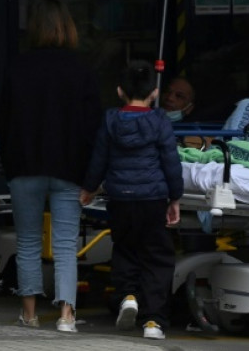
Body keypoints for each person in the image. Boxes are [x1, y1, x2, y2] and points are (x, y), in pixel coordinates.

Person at [0, 0, 102, 333]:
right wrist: (92, 177)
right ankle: (66, 316)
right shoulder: (81, 70)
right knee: (65, 244)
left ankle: (29, 315)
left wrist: (8, 165)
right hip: (69, 169)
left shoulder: (17, 67)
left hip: (24, 167)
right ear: (68, 28)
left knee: (28, 242)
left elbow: (5, 122)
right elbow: (92, 128)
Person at [80, 60, 183, 340]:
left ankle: (128, 296)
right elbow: (171, 161)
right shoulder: (160, 120)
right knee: (157, 257)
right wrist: (175, 197)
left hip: (120, 199)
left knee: (125, 249)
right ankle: (153, 321)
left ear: (119, 91)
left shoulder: (110, 120)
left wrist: (89, 188)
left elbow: (99, 158)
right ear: (154, 93)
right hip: (152, 199)